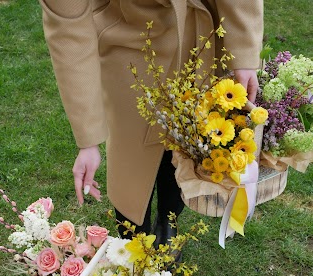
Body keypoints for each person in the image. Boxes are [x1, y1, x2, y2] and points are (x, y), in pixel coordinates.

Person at [39, 0, 263, 243]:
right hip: (127, 36)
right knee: (130, 157)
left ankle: (169, 222)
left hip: (196, 37)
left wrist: (244, 54)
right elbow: (69, 30)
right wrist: (88, 141)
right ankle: (134, 240)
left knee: (185, 146)